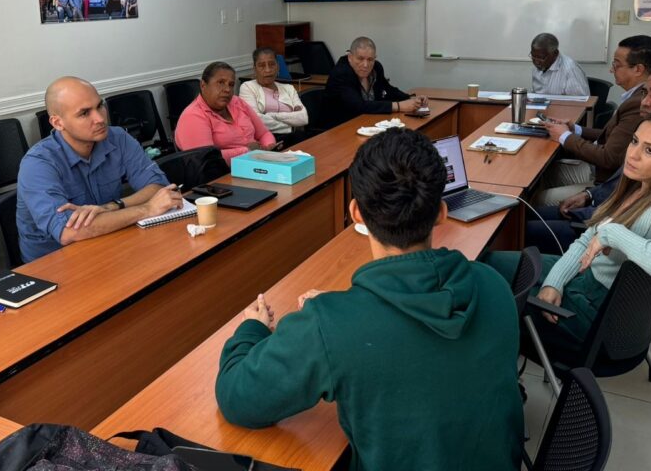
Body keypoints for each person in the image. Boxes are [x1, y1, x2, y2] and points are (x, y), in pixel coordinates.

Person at [215, 129, 523, 470]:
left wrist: (252, 331)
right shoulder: (493, 284)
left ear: (356, 213)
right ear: (441, 213)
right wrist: (344, 312)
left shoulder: (331, 325)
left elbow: (238, 399)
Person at [487, 109, 651, 348]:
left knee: (489, 293)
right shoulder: (638, 187)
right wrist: (555, 282)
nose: (632, 155)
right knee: (488, 263)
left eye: (650, 151)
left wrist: (612, 233)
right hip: (584, 278)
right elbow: (586, 241)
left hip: (595, 308)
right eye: (635, 142)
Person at [527, 64, 651, 253]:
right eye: (645, 93)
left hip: (602, 229)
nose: (645, 102)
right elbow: (620, 182)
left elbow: (612, 166)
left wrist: (600, 223)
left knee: (519, 224)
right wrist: (589, 195)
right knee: (521, 215)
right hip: (599, 210)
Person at [16, 77, 182, 263]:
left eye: (99, 106)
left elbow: (159, 187)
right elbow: (69, 232)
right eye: (85, 113)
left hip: (108, 242)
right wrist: (147, 209)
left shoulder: (118, 137)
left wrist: (112, 206)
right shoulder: (37, 163)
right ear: (57, 123)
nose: (100, 118)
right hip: (53, 263)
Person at [537, 35, 651, 205]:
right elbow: (613, 136)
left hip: (606, 181)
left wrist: (564, 136)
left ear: (638, 69)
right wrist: (575, 129)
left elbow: (608, 157)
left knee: (539, 197)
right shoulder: (636, 97)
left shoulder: (639, 104)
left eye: (616, 65)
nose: (612, 70)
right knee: (542, 174)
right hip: (601, 171)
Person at [175, 62, 277, 164]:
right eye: (220, 82)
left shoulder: (237, 102)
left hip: (257, 163)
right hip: (221, 175)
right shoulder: (193, 116)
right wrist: (247, 151)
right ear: (203, 85)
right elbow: (207, 160)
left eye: (231, 84)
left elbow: (264, 133)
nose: (227, 89)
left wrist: (269, 148)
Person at [326, 36, 427, 123]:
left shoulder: (376, 67)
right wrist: (399, 106)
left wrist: (411, 99)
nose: (365, 65)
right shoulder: (341, 73)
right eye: (360, 59)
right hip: (340, 127)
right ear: (350, 57)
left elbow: (388, 90)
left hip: (368, 122)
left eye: (370, 59)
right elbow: (358, 106)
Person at [239, 47, 308, 147]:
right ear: (254, 69)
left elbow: (303, 118)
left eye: (272, 64)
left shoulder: (289, 88)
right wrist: (290, 126)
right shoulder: (247, 87)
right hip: (267, 140)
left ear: (278, 67)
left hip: (295, 137)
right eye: (262, 66)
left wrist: (271, 116)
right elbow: (256, 120)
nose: (268, 70)